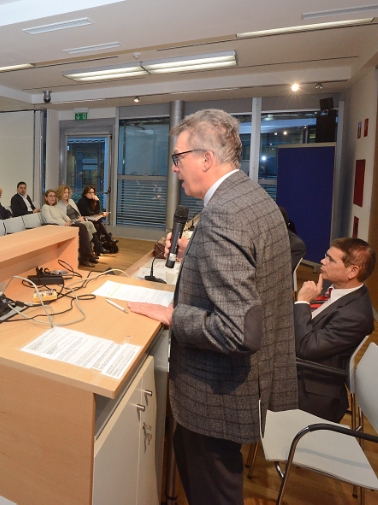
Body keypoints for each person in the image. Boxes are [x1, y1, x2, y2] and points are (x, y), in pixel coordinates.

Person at [127, 109, 296, 505]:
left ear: (205, 158)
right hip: (245, 384)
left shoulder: (223, 215)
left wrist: (173, 315)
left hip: (216, 393)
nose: (174, 168)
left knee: (213, 490)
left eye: (178, 157)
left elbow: (237, 331)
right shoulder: (251, 196)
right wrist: (198, 251)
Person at [294, 238, 375, 422]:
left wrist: (303, 302)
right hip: (301, 363)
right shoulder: (339, 291)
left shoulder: (355, 316)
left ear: (352, 271)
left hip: (309, 386)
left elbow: (306, 348)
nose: (322, 261)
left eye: (330, 259)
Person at [41, 189, 97, 267]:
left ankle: (86, 255)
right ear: (46, 198)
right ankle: (87, 254)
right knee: (81, 227)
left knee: (83, 227)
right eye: (50, 196)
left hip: (65, 226)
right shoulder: (45, 207)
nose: (53, 198)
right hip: (57, 227)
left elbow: (64, 215)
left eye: (54, 196)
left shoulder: (55, 207)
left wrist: (68, 221)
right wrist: (64, 223)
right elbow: (49, 220)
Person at [56, 185, 108, 255]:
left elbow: (77, 212)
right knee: (89, 228)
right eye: (64, 193)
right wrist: (77, 220)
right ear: (60, 193)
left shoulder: (71, 201)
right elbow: (65, 218)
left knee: (90, 224)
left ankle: (96, 248)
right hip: (71, 222)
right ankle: (93, 250)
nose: (66, 194)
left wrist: (80, 218)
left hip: (78, 219)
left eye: (67, 192)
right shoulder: (59, 205)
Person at [77, 185, 117, 253]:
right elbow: (87, 212)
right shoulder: (82, 201)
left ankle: (98, 246)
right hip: (84, 218)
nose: (92, 194)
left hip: (91, 219)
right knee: (99, 222)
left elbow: (97, 211)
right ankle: (107, 238)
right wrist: (100, 214)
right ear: (85, 193)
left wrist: (97, 201)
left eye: (93, 192)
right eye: (90, 192)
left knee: (98, 226)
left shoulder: (93, 200)